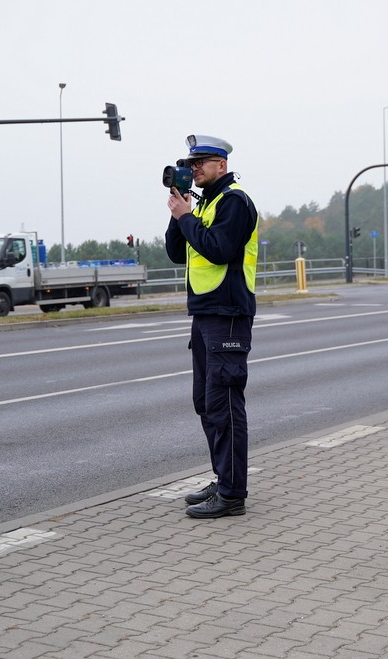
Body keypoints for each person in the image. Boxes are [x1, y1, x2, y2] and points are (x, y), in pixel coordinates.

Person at [166, 135, 259, 519]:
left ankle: (233, 493)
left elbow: (219, 249)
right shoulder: (203, 205)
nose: (194, 168)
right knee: (206, 404)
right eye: (191, 163)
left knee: (225, 405)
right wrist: (179, 213)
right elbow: (176, 253)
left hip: (228, 314)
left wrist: (187, 217)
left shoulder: (234, 201)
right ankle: (223, 477)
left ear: (221, 165)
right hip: (205, 314)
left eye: (201, 162)